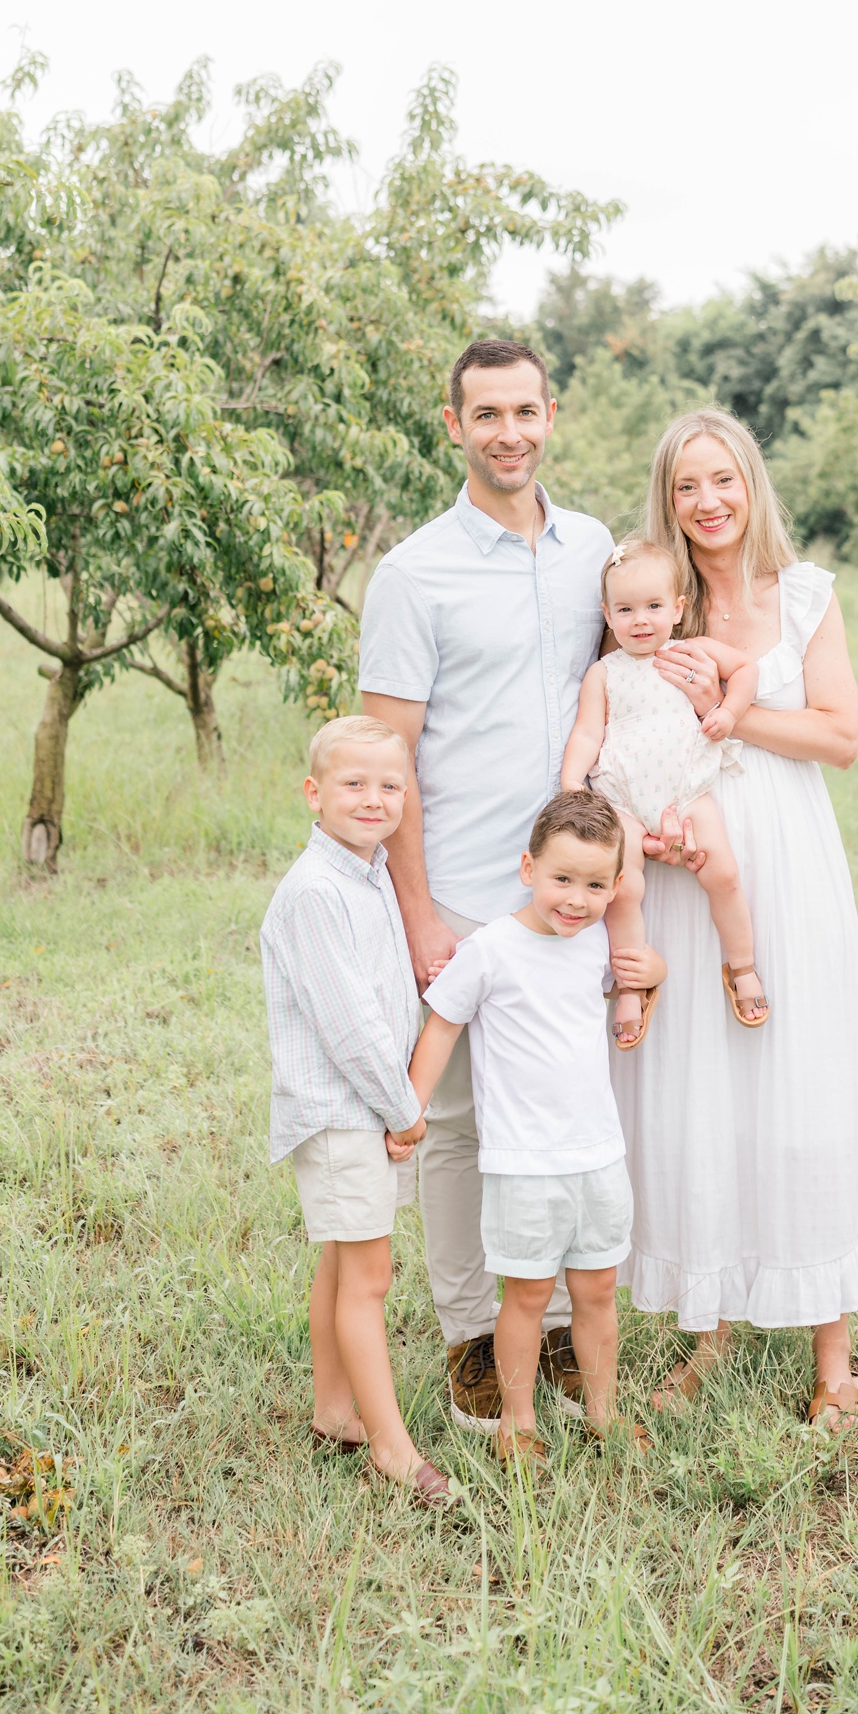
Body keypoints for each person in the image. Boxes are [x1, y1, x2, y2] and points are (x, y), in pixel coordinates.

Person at [358, 337, 661, 1432]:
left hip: (571, 889)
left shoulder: (591, 548)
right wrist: (418, 909)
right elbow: (386, 757)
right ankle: (472, 1335)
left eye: (525, 410)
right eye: (486, 413)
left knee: (566, 1101)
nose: (509, 432)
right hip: (465, 893)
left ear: (550, 414)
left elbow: (636, 659)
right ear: (453, 425)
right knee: (455, 1122)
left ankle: (567, 1329)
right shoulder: (412, 572)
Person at [611, 409, 858, 1432]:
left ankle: (833, 1355)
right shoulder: (654, 601)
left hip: (784, 851)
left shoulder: (804, 593)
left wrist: (733, 716)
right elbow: (610, 720)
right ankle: (711, 1327)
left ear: (750, 484)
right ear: (668, 497)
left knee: (801, 1076)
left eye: (722, 478)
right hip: (687, 865)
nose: (706, 500)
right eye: (687, 483)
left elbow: (840, 735)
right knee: (699, 1085)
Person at [407, 790, 660, 1464]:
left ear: (613, 885)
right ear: (528, 867)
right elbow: (441, 1027)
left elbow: (635, 978)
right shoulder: (491, 949)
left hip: (598, 1155)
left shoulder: (596, 944)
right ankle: (518, 1420)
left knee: (598, 1290)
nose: (576, 898)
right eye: (562, 879)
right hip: (523, 1163)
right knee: (525, 1295)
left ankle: (602, 1409)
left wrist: (653, 971)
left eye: (595, 884)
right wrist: (411, 1106)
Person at [258, 714, 451, 1507]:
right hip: (346, 1109)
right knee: (370, 1274)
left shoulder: (367, 876)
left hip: (365, 1106)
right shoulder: (315, 892)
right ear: (314, 792)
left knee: (344, 1260)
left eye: (390, 785)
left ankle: (335, 1408)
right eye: (353, 783)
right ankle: (391, 1445)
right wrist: (404, 1106)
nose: (373, 799)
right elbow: (350, 1025)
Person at [561, 536, 766, 1048]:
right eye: (626, 609)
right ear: (607, 615)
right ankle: (632, 983)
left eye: (654, 607)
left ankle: (742, 967)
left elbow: (746, 668)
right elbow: (588, 733)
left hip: (686, 790)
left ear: (677, 609)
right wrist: (571, 784)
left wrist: (728, 710)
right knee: (622, 889)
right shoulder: (603, 673)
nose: (641, 620)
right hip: (623, 799)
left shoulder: (689, 653)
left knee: (724, 873)